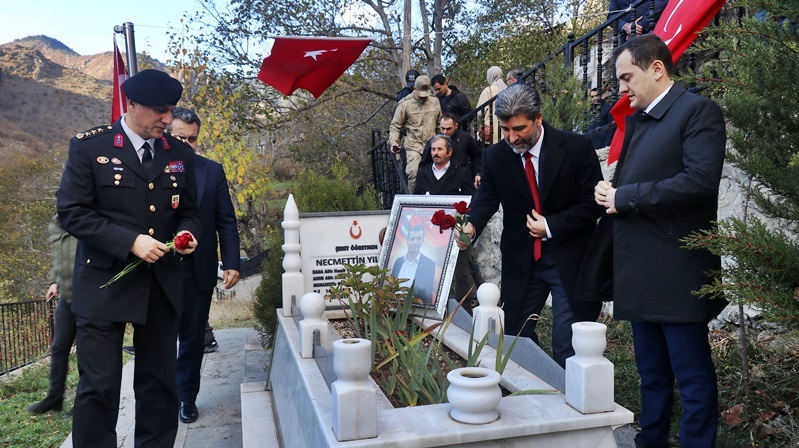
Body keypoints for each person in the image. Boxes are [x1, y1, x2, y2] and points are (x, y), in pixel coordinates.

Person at [591, 34, 727, 448]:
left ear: (656, 68)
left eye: (626, 77)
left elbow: (699, 181)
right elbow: (640, 185)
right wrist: (612, 194)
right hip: (640, 270)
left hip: (678, 271)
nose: (622, 88)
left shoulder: (697, 112)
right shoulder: (641, 120)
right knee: (651, 372)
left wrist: (624, 197)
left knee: (691, 375)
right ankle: (651, 441)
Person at [57, 69, 201, 447]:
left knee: (159, 384)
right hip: (103, 284)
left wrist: (189, 236)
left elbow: (190, 211)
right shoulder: (90, 147)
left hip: (160, 284)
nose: (167, 119)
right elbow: (73, 213)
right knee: (99, 387)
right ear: (131, 104)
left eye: (170, 110)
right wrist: (130, 242)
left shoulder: (180, 153)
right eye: (159, 110)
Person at [459, 82, 604, 368]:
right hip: (522, 260)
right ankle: (532, 391)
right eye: (506, 129)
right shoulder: (494, 157)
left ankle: (570, 401)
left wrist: (550, 226)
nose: (512, 138)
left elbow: (593, 203)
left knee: (568, 341)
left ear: (538, 118)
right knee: (516, 335)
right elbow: (486, 198)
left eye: (520, 129)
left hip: (569, 258)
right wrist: (471, 225)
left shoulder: (577, 148)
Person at [170, 107, 241, 424]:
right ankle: (161, 396)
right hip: (156, 269)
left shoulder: (212, 171)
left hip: (198, 268)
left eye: (192, 139)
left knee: (192, 338)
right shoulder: (148, 168)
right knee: (158, 340)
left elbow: (226, 220)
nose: (187, 144)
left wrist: (232, 262)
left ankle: (186, 397)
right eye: (179, 137)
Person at [414, 135, 476, 309]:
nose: (436, 153)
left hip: (455, 232)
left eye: (440, 149)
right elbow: (417, 200)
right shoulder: (422, 173)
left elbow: (472, 200)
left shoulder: (462, 173)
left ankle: (463, 311)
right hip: (430, 233)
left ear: (449, 151)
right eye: (433, 149)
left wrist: (465, 225)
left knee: (461, 273)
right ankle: (430, 307)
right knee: (431, 270)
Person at [26, 214, 78, 418]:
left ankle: (83, 404)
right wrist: (54, 281)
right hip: (66, 296)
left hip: (88, 295)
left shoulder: (84, 219)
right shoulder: (56, 225)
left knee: (87, 353)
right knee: (58, 347)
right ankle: (55, 397)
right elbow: (61, 259)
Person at [389, 75, 442, 193]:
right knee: (413, 172)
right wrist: (394, 142)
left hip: (431, 144)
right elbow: (395, 126)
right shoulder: (405, 104)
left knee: (435, 175)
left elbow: (439, 124)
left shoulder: (435, 102)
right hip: (413, 145)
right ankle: (412, 201)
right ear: (415, 89)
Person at [419, 113, 483, 188]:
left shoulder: (465, 138)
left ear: (456, 126)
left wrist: (478, 173)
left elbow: (477, 156)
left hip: (461, 178)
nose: (445, 132)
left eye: (448, 129)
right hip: (439, 179)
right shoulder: (434, 141)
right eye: (442, 128)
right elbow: (424, 164)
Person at [390, 224, 436, 304]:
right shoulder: (398, 261)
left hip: (416, 310)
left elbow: (428, 295)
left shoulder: (429, 264)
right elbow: (391, 286)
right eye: (412, 239)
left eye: (418, 239)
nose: (415, 242)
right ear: (407, 240)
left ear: (422, 240)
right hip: (394, 309)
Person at [476, 66, 508, 146]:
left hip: (492, 133)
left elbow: (480, 112)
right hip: (506, 132)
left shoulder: (488, 90)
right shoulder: (508, 89)